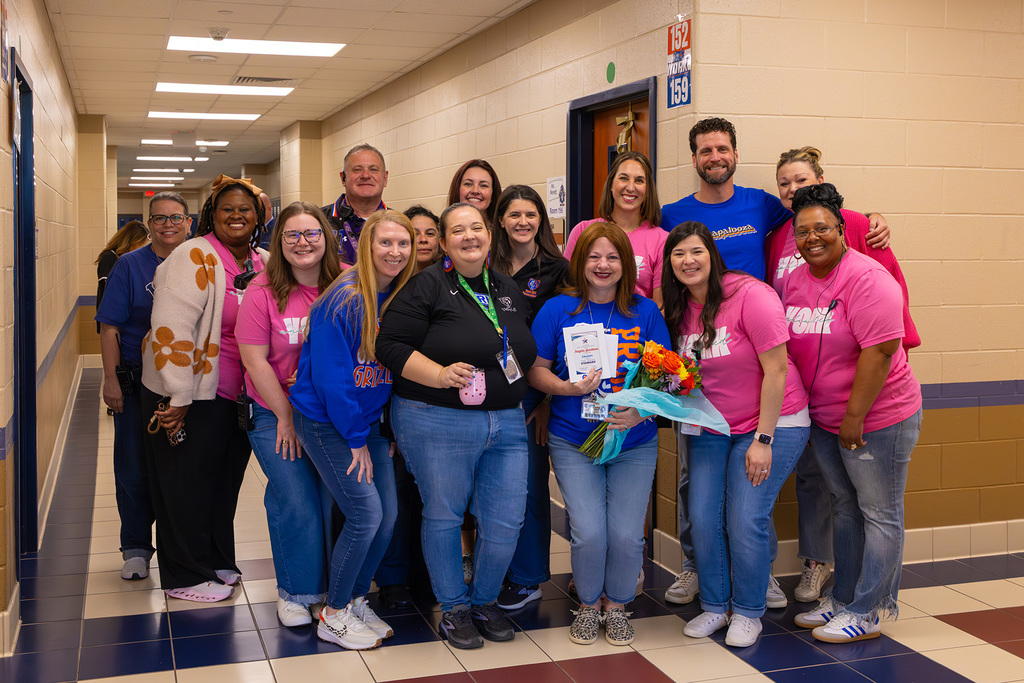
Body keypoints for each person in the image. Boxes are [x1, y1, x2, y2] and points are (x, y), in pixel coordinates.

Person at [659, 118, 887, 609]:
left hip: (765, 358)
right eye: (705, 150)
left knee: (755, 503)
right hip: (707, 374)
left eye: (722, 148)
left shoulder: (763, 204)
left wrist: (869, 219)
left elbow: (818, 216)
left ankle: (757, 580)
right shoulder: (673, 213)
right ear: (695, 157)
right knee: (695, 489)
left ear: (735, 154)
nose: (714, 156)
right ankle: (698, 567)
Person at [376, 202, 536, 650]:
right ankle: (454, 608)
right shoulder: (424, 286)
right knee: (445, 515)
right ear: (443, 243)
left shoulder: (505, 287)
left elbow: (518, 349)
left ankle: (484, 600)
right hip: (435, 419)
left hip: (505, 421)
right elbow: (387, 345)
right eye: (458, 231)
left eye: (477, 228)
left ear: (490, 235)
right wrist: (440, 374)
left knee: (505, 519)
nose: (469, 236)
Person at [769, 146, 919, 603]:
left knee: (880, 514)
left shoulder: (868, 277)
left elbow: (879, 353)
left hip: (875, 417)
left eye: (822, 229)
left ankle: (870, 609)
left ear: (843, 230)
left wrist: (854, 418)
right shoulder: (796, 280)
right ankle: (843, 600)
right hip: (826, 419)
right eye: (803, 231)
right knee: (848, 510)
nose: (812, 238)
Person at [662, 222, 809, 648]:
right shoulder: (677, 308)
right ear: (669, 264)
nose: (688, 261)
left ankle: (747, 611)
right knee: (703, 517)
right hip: (712, 424)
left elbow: (777, 369)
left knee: (744, 518)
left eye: (696, 252)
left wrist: (763, 441)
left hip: (772, 422)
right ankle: (714, 605)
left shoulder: (750, 296)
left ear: (712, 255)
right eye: (678, 255)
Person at [528, 223, 670, 647]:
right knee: (589, 529)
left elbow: (665, 378)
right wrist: (567, 388)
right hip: (573, 437)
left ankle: (618, 606)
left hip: (633, 441)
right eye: (594, 257)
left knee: (626, 532)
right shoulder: (558, 310)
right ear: (580, 262)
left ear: (625, 263)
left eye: (612, 257)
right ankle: (589, 606)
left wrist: (640, 410)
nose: (603, 265)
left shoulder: (645, 312)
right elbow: (536, 370)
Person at [290, 209, 416, 650]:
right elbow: (332, 382)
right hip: (329, 422)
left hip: (368, 424)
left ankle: (357, 599)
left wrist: (381, 430)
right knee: (365, 515)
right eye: (386, 243)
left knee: (387, 519)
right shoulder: (342, 299)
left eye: (404, 244)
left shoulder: (399, 296)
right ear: (366, 246)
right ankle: (334, 612)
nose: (395, 252)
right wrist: (357, 439)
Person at [140, 174, 267, 603]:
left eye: (245, 209)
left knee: (223, 483)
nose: (236, 215)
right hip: (193, 395)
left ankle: (215, 559)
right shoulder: (194, 255)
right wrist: (177, 395)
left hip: (242, 397)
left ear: (259, 216)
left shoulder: (264, 262)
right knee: (184, 486)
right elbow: (169, 330)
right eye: (227, 208)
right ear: (212, 215)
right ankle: (184, 575)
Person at [237, 202, 342, 627]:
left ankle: (336, 590)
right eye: (292, 235)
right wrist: (284, 417)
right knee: (296, 499)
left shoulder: (348, 282)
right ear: (278, 243)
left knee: (332, 500)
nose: (303, 242)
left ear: (326, 238)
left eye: (312, 233)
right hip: (272, 411)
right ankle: (297, 592)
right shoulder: (262, 291)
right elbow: (254, 360)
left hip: (334, 413)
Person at [95, 195, 191, 581]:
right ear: (148, 223)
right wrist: (111, 379)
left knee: (183, 468)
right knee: (133, 465)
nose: (168, 224)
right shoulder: (129, 266)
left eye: (176, 217)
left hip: (187, 381)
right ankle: (135, 547)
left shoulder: (201, 262)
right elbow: (110, 327)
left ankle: (181, 548)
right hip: (137, 380)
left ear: (189, 223)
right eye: (159, 218)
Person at [489, 185, 570, 610]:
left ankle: (528, 577)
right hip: (486, 393)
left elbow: (568, 341)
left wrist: (546, 401)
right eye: (514, 214)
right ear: (500, 219)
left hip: (533, 398)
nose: (523, 222)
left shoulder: (560, 270)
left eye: (531, 214)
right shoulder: (483, 265)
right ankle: (495, 569)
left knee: (529, 488)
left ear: (542, 219)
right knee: (491, 489)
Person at [564, 151, 667, 305]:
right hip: (587, 324)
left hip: (636, 326)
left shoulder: (662, 240)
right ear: (611, 184)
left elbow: (660, 306)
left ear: (648, 190)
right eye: (623, 178)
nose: (631, 187)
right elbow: (568, 289)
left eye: (639, 180)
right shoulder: (582, 231)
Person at [322, 143, 389, 266]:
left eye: (373, 169)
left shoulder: (400, 224)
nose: (366, 175)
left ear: (385, 178)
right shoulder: (319, 220)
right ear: (343, 178)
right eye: (357, 169)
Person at [96, 220, 149, 333]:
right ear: (131, 241)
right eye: (140, 245)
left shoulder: (123, 259)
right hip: (112, 319)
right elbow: (113, 290)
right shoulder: (109, 258)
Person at [446, 159, 502, 225]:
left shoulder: (505, 233)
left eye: (483, 185)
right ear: (457, 189)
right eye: (468, 184)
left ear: (493, 194)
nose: (475, 191)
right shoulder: (441, 231)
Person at [405, 204, 441, 272]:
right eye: (415, 234)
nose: (423, 240)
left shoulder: (453, 277)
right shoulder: (391, 279)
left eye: (430, 234)